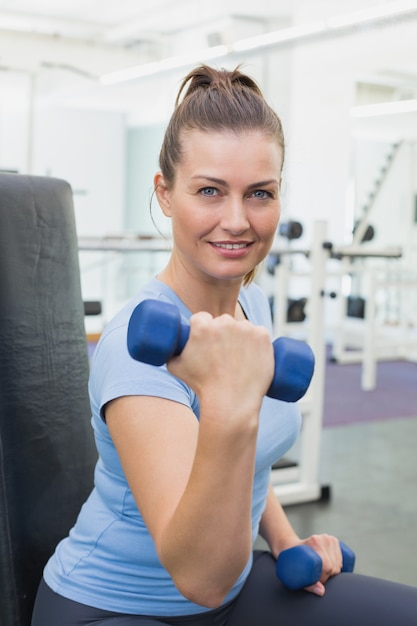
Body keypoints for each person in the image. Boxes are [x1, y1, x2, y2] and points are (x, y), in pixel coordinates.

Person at [31, 64, 417, 626]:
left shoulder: (249, 308)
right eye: (210, 191)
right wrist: (230, 402)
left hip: (233, 588)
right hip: (115, 605)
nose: (236, 221)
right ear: (164, 194)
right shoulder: (136, 351)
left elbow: (247, 466)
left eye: (259, 193)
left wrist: (286, 540)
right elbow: (201, 581)